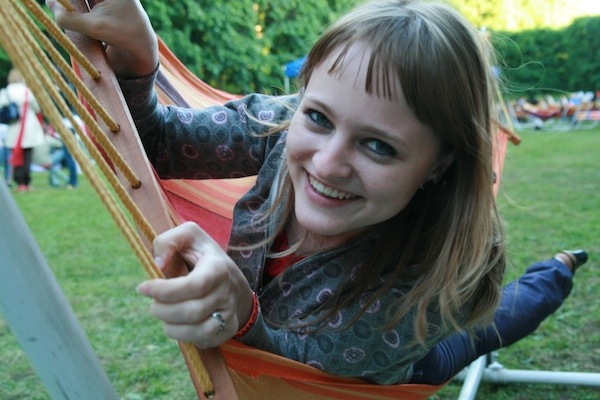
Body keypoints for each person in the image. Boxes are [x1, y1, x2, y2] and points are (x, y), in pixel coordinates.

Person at [49, 0, 588, 385]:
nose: (326, 162)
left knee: (486, 330)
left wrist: (245, 317)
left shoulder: (424, 276)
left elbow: (313, 375)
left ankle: (559, 269)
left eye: (379, 146)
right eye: (319, 117)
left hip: (397, 365)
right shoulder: (283, 126)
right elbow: (159, 144)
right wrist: (138, 59)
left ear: (438, 165)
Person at [1, 68, 46, 192]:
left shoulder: (6, 92)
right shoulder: (26, 90)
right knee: (27, 156)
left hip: (14, 126)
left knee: (16, 155)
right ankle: (26, 182)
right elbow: (37, 108)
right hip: (28, 125)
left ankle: (19, 181)